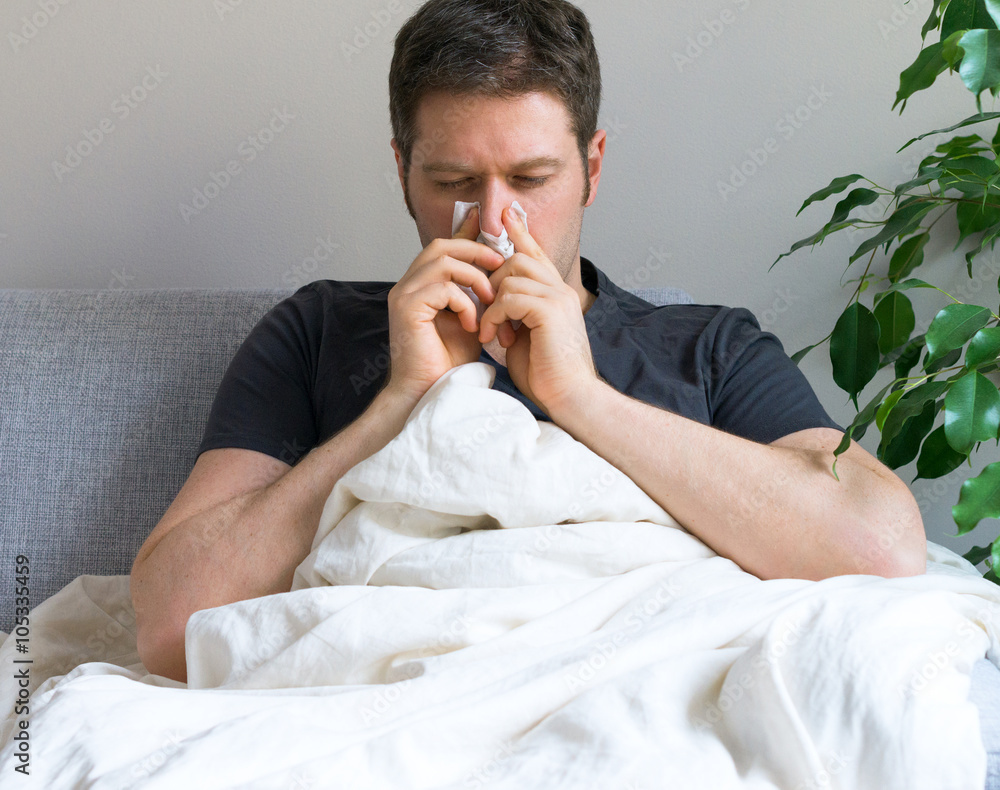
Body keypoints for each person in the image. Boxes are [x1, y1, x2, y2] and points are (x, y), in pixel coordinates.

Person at [130, 0, 926, 683]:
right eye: (453, 184)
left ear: (592, 166)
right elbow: (170, 622)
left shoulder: (710, 347)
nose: (497, 221)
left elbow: (879, 547)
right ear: (403, 172)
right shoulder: (317, 330)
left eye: (533, 180)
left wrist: (579, 397)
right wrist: (401, 401)